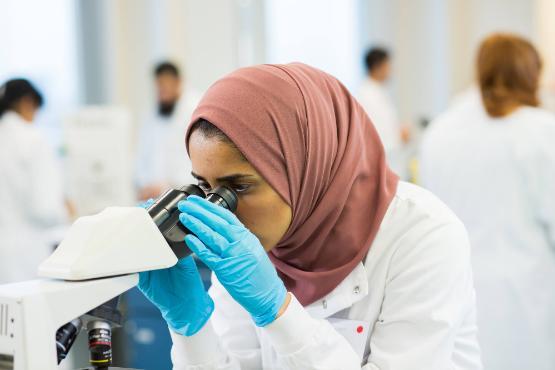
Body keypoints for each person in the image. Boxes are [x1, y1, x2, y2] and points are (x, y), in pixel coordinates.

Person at [138, 63, 482, 369]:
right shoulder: (253, 246)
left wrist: (278, 311)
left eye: (238, 188)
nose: (221, 209)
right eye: (203, 186)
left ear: (306, 170)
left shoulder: (423, 235)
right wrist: (190, 328)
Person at [420, 34, 555, 370]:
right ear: (530, 74)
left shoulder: (440, 130)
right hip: (525, 295)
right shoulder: (542, 130)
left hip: (455, 291)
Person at [0, 78, 67, 283]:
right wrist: (66, 212)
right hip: (25, 250)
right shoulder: (32, 138)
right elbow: (44, 208)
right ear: (27, 102)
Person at [135, 61, 200, 200]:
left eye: (166, 85)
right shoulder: (151, 114)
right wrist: (145, 184)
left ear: (178, 82)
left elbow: (196, 158)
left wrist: (166, 186)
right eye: (159, 86)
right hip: (153, 195)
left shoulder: (195, 109)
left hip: (186, 192)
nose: (162, 91)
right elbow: (144, 154)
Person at [357, 47, 409, 176]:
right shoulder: (368, 95)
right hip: (382, 162)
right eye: (388, 65)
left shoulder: (376, 92)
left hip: (389, 160)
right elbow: (378, 133)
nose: (390, 70)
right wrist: (399, 136)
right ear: (378, 66)